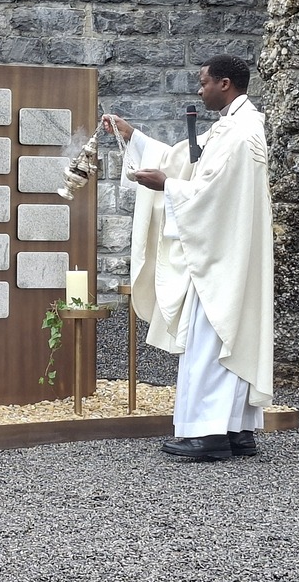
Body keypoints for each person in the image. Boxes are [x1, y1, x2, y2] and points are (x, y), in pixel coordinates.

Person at [103, 54, 274, 460]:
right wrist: (134, 137)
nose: (199, 90)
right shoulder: (236, 126)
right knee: (230, 336)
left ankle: (207, 434)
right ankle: (236, 429)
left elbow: (208, 193)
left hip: (219, 258)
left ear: (225, 84)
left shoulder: (239, 133)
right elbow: (189, 161)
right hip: (229, 252)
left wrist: (168, 187)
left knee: (211, 340)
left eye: (204, 82)